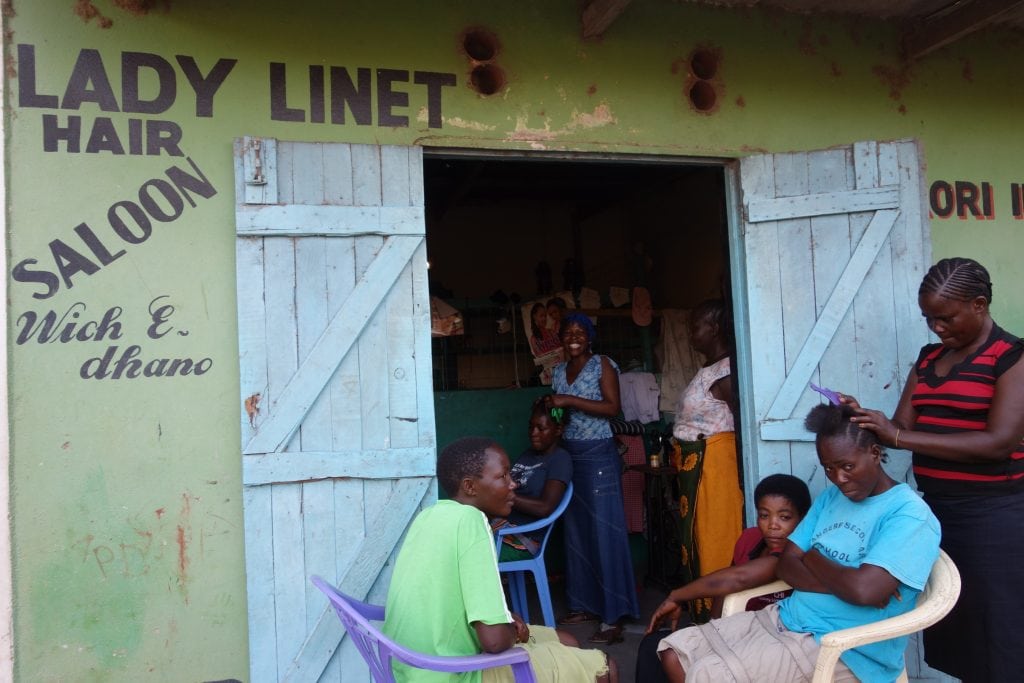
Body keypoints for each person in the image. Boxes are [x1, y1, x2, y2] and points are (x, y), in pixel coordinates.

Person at [657, 403, 941, 683]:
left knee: (707, 674)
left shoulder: (908, 515)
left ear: (875, 454)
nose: (838, 478)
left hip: (844, 648)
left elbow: (863, 591)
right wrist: (846, 582)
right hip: (789, 619)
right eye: (828, 468)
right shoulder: (832, 499)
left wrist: (813, 557)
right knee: (673, 651)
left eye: (847, 466)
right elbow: (787, 565)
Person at [844, 256, 1024, 683]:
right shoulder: (928, 360)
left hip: (995, 516)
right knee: (955, 624)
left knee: (1001, 629)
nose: (937, 328)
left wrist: (899, 437)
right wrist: (867, 420)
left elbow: (998, 443)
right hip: (935, 515)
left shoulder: (1012, 358)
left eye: (946, 318)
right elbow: (901, 425)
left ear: (979, 305)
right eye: (929, 318)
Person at [383, 436, 617, 683]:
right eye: (503, 476)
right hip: (455, 674)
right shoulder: (472, 523)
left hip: (413, 667)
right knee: (605, 667)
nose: (513, 484)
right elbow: (494, 641)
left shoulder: (428, 516)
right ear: (470, 486)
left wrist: (503, 618)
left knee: (567, 640)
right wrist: (509, 631)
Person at [635, 474, 811, 683]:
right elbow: (725, 589)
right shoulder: (750, 538)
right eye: (764, 515)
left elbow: (738, 578)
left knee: (689, 662)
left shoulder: (796, 554)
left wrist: (676, 596)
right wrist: (711, 628)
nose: (773, 525)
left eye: (784, 517)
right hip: (732, 628)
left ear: (803, 519)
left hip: (767, 638)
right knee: (653, 645)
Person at [545, 312, 640, 644]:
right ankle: (584, 605)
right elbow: (560, 414)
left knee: (605, 531)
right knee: (576, 532)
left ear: (589, 337)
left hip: (598, 454)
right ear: (561, 338)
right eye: (568, 332)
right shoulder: (557, 371)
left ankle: (613, 615)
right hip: (569, 455)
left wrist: (568, 399)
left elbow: (612, 408)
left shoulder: (602, 364)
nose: (574, 337)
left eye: (580, 332)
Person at [670, 298, 744, 622]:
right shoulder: (711, 369)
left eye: (695, 326)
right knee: (698, 538)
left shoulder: (726, 371)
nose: (690, 333)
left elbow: (742, 422)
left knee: (714, 538)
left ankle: (719, 616)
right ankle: (702, 615)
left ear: (714, 329)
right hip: (696, 467)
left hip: (714, 468)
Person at [491, 399, 572, 562]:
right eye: (531, 427)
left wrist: (505, 495)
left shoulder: (560, 460)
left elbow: (545, 508)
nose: (533, 433)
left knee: (464, 553)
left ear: (558, 429)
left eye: (541, 428)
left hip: (522, 539)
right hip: (502, 528)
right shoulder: (528, 455)